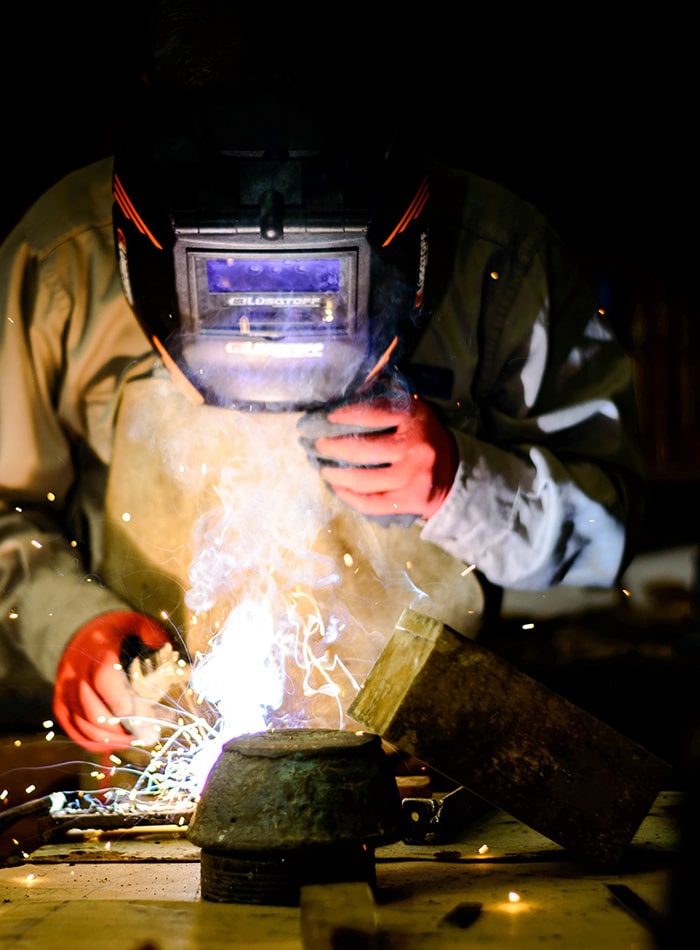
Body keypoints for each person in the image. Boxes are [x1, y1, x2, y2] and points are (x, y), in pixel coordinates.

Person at [0, 6, 647, 755]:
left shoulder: (503, 262)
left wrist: (462, 487)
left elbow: (608, 536)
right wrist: (67, 625)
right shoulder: (60, 262)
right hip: (168, 759)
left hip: (420, 766)